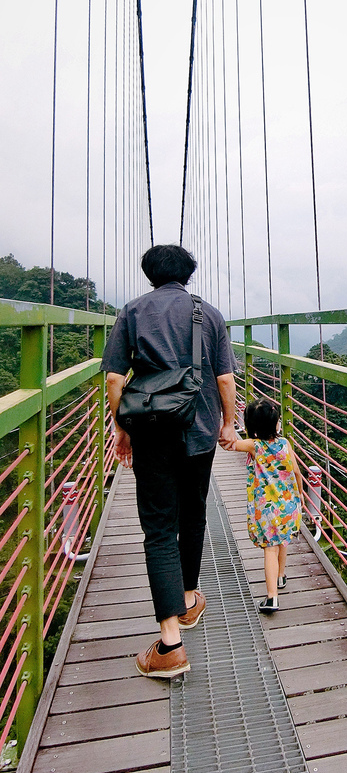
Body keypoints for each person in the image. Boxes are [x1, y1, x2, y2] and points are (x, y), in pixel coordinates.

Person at [101, 244, 238, 678]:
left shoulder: (133, 311)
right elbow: (224, 377)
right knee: (193, 514)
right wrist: (228, 425)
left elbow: (113, 376)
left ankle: (170, 643)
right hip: (198, 431)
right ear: (189, 273)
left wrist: (122, 428)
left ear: (149, 273)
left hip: (151, 432)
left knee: (159, 528)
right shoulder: (209, 314)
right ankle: (190, 598)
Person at [221, 398, 302, 612]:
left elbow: (228, 443)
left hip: (267, 509)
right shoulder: (285, 444)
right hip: (289, 506)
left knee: (270, 549)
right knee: (282, 540)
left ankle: (272, 597)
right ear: (276, 424)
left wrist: (223, 425)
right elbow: (296, 472)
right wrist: (299, 496)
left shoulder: (254, 446)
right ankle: (281, 576)